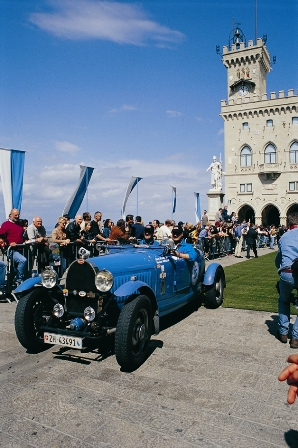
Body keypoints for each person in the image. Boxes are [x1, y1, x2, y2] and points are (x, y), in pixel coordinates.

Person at [275, 212, 298, 347]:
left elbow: (278, 259)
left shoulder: (284, 237)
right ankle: (296, 338)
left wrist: (281, 270)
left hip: (286, 272)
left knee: (283, 299)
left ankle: (283, 332)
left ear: (289, 224)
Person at [0, 209, 27, 284]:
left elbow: (21, 235)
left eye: (18, 215)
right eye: (15, 215)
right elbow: (1, 236)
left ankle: (13, 280)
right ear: (10, 215)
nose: (17, 216)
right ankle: (19, 280)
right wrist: (9, 243)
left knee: (15, 267)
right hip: (11, 249)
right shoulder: (6, 224)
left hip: (20, 248)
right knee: (23, 260)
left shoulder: (19, 224)